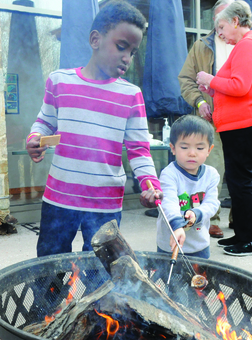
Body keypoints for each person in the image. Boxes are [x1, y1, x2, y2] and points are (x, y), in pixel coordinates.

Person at [25, 0, 163, 257]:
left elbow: (139, 149)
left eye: (133, 51)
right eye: (122, 46)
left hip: (105, 202)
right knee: (49, 268)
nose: (127, 57)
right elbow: (44, 121)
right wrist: (36, 138)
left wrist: (149, 183)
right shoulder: (59, 81)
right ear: (95, 39)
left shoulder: (131, 94)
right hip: (59, 197)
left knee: (101, 271)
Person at [196, 0, 252, 257]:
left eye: (221, 26)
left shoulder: (248, 44)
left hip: (246, 122)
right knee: (240, 180)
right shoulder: (249, 43)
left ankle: (251, 241)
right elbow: (238, 84)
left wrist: (209, 79)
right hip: (243, 122)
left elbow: (239, 86)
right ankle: (242, 234)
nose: (219, 33)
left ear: (235, 22)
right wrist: (215, 87)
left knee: (240, 182)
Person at [178, 0, 234, 240]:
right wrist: (199, 103)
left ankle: (241, 218)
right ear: (215, 20)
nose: (225, 27)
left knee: (240, 171)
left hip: (239, 119)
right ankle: (211, 218)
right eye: (222, 19)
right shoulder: (201, 46)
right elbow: (185, 79)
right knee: (214, 169)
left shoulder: (245, 44)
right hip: (210, 122)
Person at [156, 116, 220, 259]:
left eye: (200, 148)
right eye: (184, 147)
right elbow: (168, 203)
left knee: (199, 280)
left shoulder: (211, 174)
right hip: (170, 244)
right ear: (173, 148)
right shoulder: (169, 174)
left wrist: (197, 213)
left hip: (199, 244)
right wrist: (177, 225)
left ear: (209, 150)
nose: (192, 153)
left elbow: (212, 203)